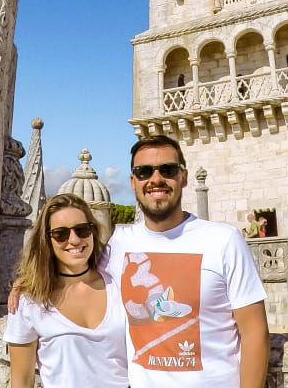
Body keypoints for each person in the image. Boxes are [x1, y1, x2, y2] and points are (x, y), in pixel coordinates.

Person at [106, 135, 269, 388]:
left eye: (167, 170)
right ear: (133, 181)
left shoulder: (224, 240)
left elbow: (255, 332)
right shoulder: (117, 244)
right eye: (144, 171)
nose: (156, 179)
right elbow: (68, 273)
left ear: (183, 177)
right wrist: (25, 286)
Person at [4, 193, 127, 388]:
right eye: (61, 234)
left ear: (93, 232)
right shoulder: (29, 301)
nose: (74, 240)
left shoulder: (120, 285)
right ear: (47, 240)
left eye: (82, 230)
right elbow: (21, 380)